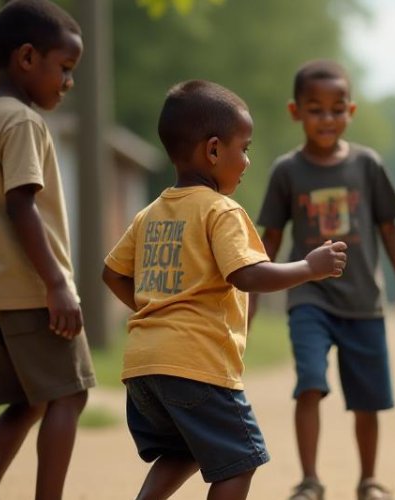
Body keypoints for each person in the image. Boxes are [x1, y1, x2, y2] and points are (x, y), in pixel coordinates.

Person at [102, 80, 348, 500]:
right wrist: (308, 267)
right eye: (245, 147)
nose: (248, 161)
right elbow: (248, 275)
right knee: (240, 460)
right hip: (197, 365)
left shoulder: (150, 213)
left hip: (144, 367)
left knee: (183, 450)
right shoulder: (221, 210)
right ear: (214, 150)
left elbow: (112, 274)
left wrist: (155, 311)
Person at [253, 59, 395, 500]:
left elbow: (389, 228)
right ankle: (309, 480)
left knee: (367, 400)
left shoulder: (367, 165)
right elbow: (268, 238)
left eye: (336, 108)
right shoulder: (286, 171)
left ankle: (368, 480)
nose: (327, 119)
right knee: (309, 383)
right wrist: (247, 297)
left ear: (351, 111)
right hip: (309, 297)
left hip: (363, 300)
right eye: (315, 109)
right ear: (295, 112)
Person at [0, 1, 92, 498]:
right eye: (65, 68)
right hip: (30, 290)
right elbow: (20, 204)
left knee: (29, 402)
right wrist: (57, 282)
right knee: (70, 396)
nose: (68, 82)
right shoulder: (23, 123)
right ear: (27, 58)